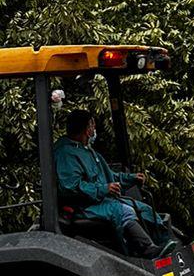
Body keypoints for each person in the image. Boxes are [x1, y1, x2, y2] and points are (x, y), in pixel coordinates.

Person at [53, 110, 171, 258]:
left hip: (99, 200)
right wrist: (103, 189)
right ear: (87, 129)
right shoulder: (66, 153)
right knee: (124, 211)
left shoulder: (86, 151)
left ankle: (165, 248)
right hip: (82, 206)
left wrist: (131, 178)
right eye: (92, 126)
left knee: (144, 208)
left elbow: (109, 176)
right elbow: (71, 187)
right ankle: (147, 249)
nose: (94, 130)